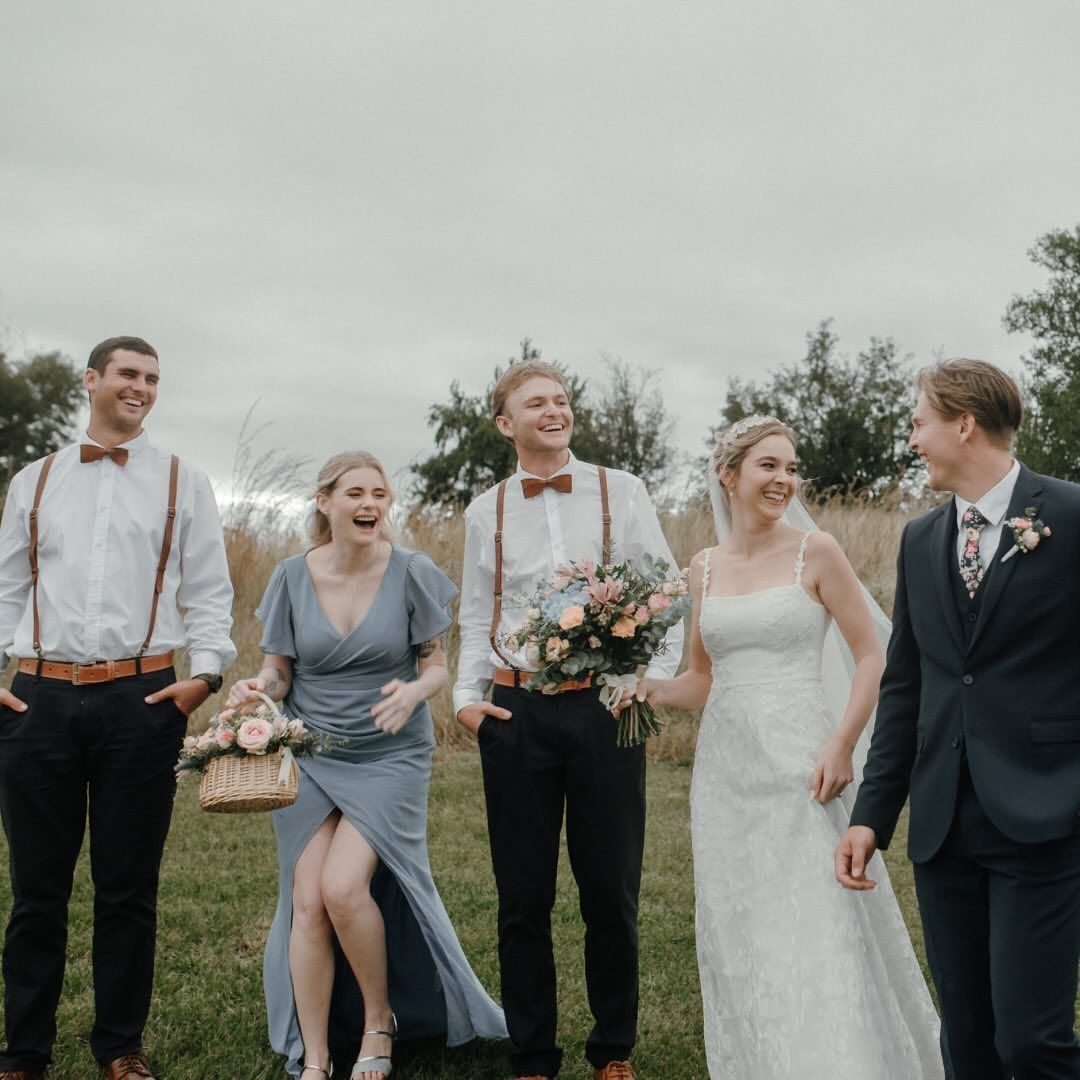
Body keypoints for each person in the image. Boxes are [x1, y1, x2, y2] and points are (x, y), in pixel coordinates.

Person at [635, 415, 942, 1079]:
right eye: (768, 466)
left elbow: (872, 658)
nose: (783, 480)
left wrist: (842, 742)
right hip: (727, 776)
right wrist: (643, 689)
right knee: (744, 932)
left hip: (806, 764)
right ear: (730, 474)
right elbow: (701, 679)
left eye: (789, 467)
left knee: (818, 925)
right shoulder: (703, 569)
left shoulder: (817, 552)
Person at [0, 336, 236, 1080]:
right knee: (37, 891)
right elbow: (7, 586)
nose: (141, 388)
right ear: (91, 380)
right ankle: (23, 1052)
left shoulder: (182, 481)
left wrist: (205, 678)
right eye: (128, 375)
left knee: (127, 888)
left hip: (143, 700)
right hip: (36, 700)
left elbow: (208, 590)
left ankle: (120, 1047)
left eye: (153, 379)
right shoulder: (33, 482)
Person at [227, 450, 505, 1080]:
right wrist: (258, 688)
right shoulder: (291, 576)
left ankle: (379, 1023)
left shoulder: (412, 571)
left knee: (344, 888)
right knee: (307, 898)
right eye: (355, 492)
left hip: (390, 754)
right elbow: (279, 670)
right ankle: (317, 1052)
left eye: (379, 493)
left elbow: (435, 664)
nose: (370, 504)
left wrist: (413, 693)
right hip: (311, 751)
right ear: (324, 502)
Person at [837, 360, 1080, 1078]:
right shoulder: (919, 540)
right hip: (944, 825)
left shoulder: (1069, 516)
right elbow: (907, 686)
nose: (912, 439)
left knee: (1032, 1043)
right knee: (967, 1045)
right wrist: (870, 816)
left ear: (963, 422)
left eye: (919, 421)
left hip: (1046, 812)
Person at [453, 360, 683, 1080]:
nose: (554, 411)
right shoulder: (483, 510)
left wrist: (650, 678)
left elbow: (670, 590)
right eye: (536, 403)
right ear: (504, 423)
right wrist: (466, 701)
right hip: (514, 710)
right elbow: (474, 614)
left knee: (609, 890)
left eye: (561, 400)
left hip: (603, 707)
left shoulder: (623, 490)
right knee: (523, 896)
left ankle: (612, 1051)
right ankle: (532, 1057)